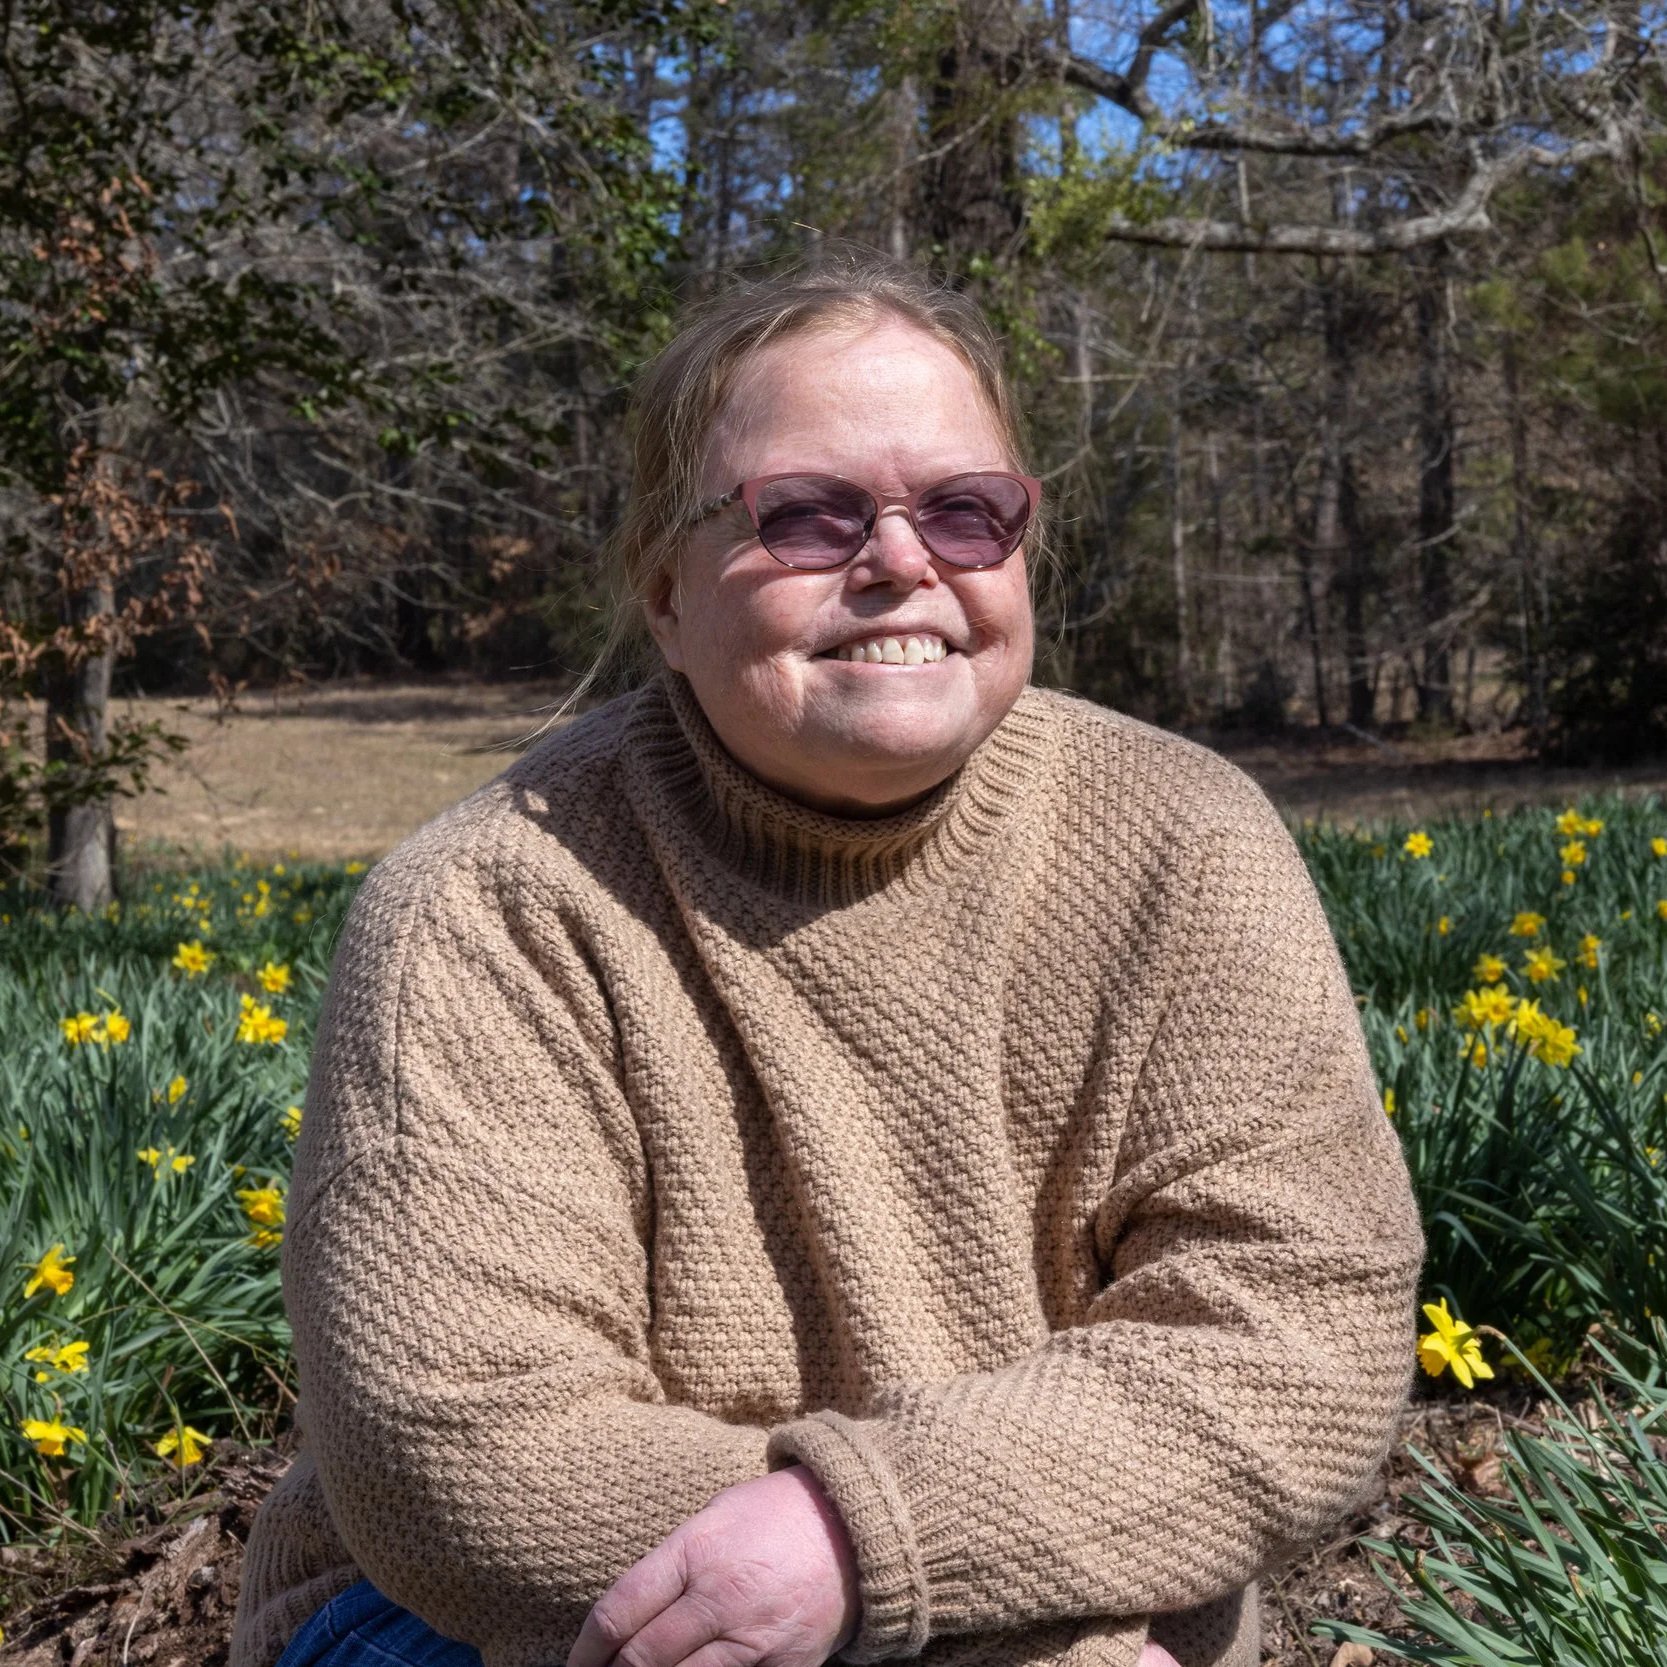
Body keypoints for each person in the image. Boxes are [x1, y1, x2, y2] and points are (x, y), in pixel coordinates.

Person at [230, 255, 1424, 1667]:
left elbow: (1299, 1345)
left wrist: (876, 1542)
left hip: (1056, 1598)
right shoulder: (491, 906)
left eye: (967, 512)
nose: (903, 561)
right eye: (807, 516)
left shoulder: (1183, 843)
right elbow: (464, 1456)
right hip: (532, 1628)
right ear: (664, 591)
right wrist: (990, 1612)